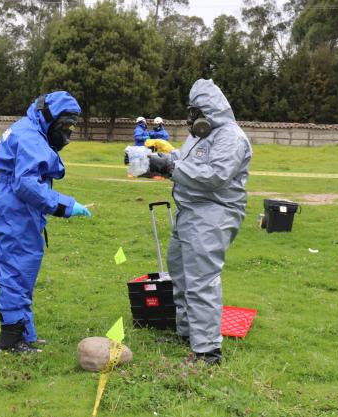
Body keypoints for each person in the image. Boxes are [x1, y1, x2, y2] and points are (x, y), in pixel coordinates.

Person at [146, 79, 252, 365]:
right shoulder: (200, 135)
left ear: (210, 108)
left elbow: (215, 177)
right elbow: (186, 158)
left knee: (202, 280)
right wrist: (159, 159)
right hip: (189, 211)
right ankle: (187, 333)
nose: (191, 117)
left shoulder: (231, 137)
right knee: (180, 272)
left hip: (214, 213)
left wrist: (170, 167)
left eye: (196, 110)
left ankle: (207, 351)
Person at [0, 91, 92, 354]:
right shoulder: (31, 137)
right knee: (16, 271)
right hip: (16, 208)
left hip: (12, 205)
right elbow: (26, 184)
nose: (66, 131)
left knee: (20, 268)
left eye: (71, 126)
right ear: (49, 117)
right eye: (64, 125)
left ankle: (23, 332)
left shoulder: (29, 128)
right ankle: (11, 340)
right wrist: (66, 206)